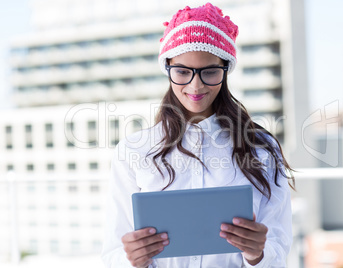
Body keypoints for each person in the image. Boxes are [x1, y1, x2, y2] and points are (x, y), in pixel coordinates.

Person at [101, 3, 295, 268]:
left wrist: (257, 255)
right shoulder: (134, 150)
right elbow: (113, 252)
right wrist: (131, 260)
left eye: (210, 72)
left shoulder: (261, 148)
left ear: (226, 69)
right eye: (182, 71)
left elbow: (279, 251)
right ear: (167, 68)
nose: (195, 85)